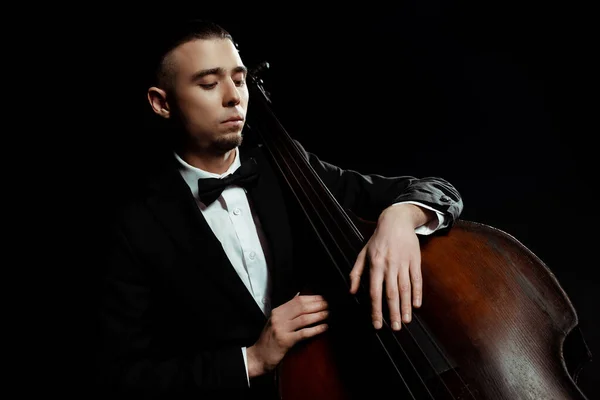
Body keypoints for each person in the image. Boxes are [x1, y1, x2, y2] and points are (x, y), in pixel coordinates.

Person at [94, 18, 464, 399]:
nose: (234, 97)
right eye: (208, 84)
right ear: (161, 103)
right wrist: (251, 359)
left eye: (238, 80)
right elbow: (121, 376)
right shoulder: (132, 225)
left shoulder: (288, 169)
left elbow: (438, 190)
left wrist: (401, 218)